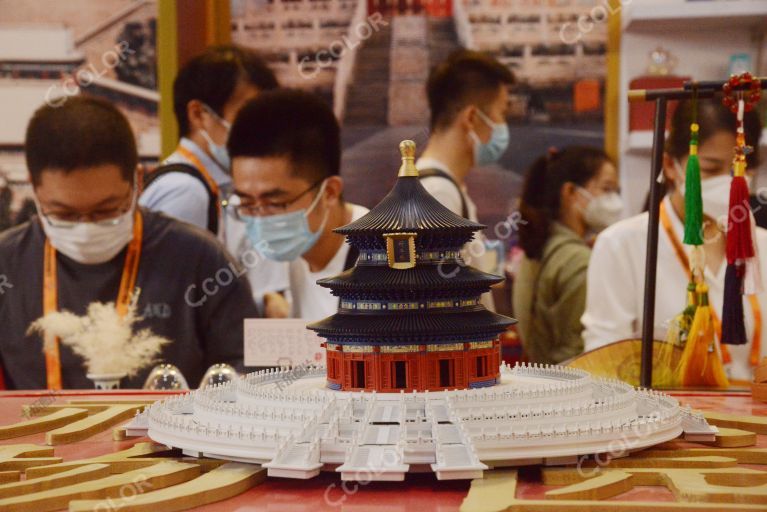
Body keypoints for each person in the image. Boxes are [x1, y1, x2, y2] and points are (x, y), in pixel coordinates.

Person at [0, 96, 259, 389]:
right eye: (64, 213)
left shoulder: (200, 259)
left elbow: (247, 372)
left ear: (137, 180)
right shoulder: (8, 264)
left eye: (107, 210)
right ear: (34, 187)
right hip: (38, 434)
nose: (86, 227)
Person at [582, 99, 766, 382]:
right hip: (662, 421)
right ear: (670, 165)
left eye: (740, 170)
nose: (729, 184)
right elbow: (605, 364)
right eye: (710, 169)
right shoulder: (622, 245)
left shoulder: (762, 245)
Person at [226, 89, 368, 321]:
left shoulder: (379, 264)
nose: (260, 219)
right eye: (246, 203)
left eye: (276, 203)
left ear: (329, 192)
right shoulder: (289, 257)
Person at [140, 45, 278, 236]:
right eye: (248, 113)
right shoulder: (185, 192)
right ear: (198, 114)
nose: (261, 128)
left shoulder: (213, 183)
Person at [513, 147, 620, 364]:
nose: (616, 201)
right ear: (570, 192)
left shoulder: (541, 248)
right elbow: (578, 355)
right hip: (569, 387)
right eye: (607, 189)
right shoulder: (577, 261)